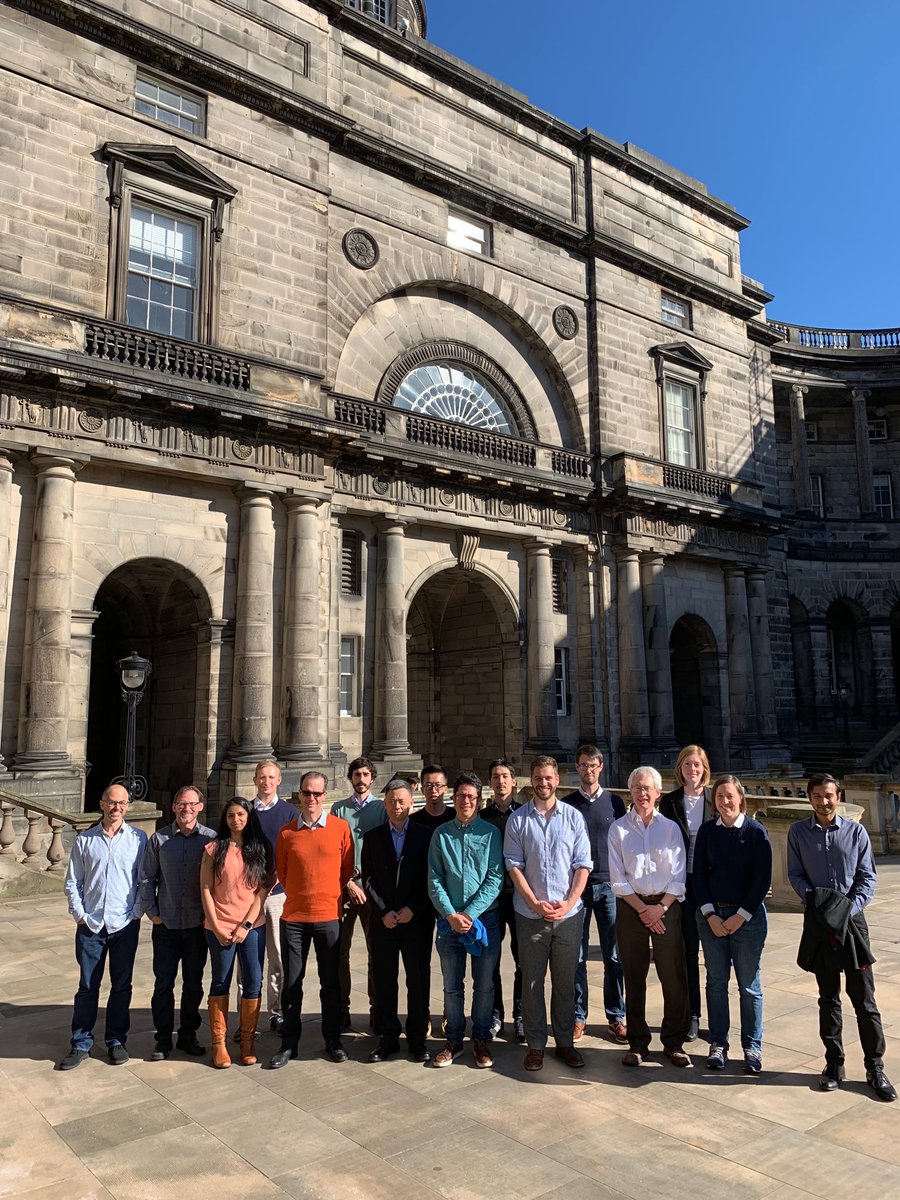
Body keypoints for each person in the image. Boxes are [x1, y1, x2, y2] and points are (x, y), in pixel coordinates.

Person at [787, 773, 897, 1101]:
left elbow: (867, 877)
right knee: (828, 997)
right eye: (818, 795)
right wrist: (818, 904)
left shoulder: (856, 832)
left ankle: (875, 1066)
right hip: (820, 924)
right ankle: (833, 1063)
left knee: (864, 998)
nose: (824, 801)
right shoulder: (798, 833)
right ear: (810, 798)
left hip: (852, 924)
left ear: (839, 796)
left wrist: (845, 910)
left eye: (829, 795)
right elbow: (795, 874)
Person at [504, 755, 591, 1072]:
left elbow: (583, 865)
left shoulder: (573, 817)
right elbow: (514, 866)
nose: (543, 783)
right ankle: (537, 1044)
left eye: (549, 778)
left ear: (557, 779)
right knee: (532, 982)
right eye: (538, 778)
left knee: (566, 982)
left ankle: (565, 1042)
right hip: (530, 915)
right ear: (531, 780)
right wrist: (535, 903)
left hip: (569, 915)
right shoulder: (518, 820)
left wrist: (568, 904)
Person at [269, 772, 355, 1068]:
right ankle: (289, 1043)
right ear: (299, 795)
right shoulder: (286, 833)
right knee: (292, 982)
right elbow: (282, 871)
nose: (312, 799)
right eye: (307, 793)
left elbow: (346, 871)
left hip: (328, 916)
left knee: (330, 982)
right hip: (294, 917)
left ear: (325, 795)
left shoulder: (341, 829)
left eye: (318, 794)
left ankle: (332, 1040)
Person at [59, 784, 147, 1069]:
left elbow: (144, 880)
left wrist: (136, 912)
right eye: (112, 802)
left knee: (122, 986)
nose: (117, 807)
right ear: (101, 804)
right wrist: (80, 915)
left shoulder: (138, 839)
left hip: (124, 924)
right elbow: (74, 881)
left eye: (122, 803)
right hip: (92, 926)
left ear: (128, 806)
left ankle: (116, 1040)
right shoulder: (85, 840)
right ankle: (81, 1042)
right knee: (87, 986)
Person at [609, 766, 691, 1068]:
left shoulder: (669, 828)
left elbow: (678, 876)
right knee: (634, 976)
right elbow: (618, 879)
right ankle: (638, 1043)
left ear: (658, 793)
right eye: (637, 788)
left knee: (673, 976)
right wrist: (644, 910)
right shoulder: (618, 828)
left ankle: (674, 1042)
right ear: (630, 792)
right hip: (632, 909)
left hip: (667, 907)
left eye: (648, 789)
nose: (642, 794)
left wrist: (661, 908)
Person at [693, 775, 771, 1074]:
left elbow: (761, 880)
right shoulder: (707, 831)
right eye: (719, 797)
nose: (724, 802)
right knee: (715, 983)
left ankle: (752, 1046)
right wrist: (711, 915)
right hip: (712, 918)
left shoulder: (755, 832)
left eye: (730, 796)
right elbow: (699, 875)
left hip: (747, 920)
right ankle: (718, 1043)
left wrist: (741, 915)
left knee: (749, 986)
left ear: (741, 799)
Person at [428, 772, 504, 1068]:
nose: (466, 801)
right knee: (452, 985)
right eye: (461, 796)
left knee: (484, 984)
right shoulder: (441, 834)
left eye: (472, 796)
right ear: (453, 798)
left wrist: (469, 915)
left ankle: (482, 1039)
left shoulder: (490, 833)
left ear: (479, 799)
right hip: (449, 923)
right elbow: (435, 879)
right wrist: (451, 914)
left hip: (484, 921)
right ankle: (455, 1039)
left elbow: (495, 878)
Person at [140, 784, 216, 1060]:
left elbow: (219, 882)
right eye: (182, 804)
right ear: (174, 808)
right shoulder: (159, 840)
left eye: (192, 804)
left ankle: (187, 1035)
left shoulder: (210, 839)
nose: (187, 809)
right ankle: (162, 1039)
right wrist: (153, 913)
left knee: (193, 984)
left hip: (197, 926)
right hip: (167, 925)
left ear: (200, 807)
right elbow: (147, 878)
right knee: (163, 984)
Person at [361, 780, 434, 1063]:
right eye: (391, 801)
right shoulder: (373, 836)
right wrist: (383, 911)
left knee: (418, 980)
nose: (397, 806)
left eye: (402, 801)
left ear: (411, 804)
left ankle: (417, 1039)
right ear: (385, 804)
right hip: (385, 921)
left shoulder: (426, 835)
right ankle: (388, 1037)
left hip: (415, 920)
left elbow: (430, 876)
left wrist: (412, 908)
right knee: (384, 981)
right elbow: (367, 878)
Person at [200, 797, 273, 1068]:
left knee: (253, 981)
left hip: (251, 927)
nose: (236, 820)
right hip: (219, 927)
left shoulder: (261, 848)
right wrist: (217, 927)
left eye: (241, 814)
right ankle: (219, 1044)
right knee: (220, 980)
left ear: (249, 817)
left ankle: (247, 1041)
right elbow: (206, 889)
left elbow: (262, 890)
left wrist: (245, 925)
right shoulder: (214, 848)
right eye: (231, 815)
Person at [562, 744, 627, 1044]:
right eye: (583, 765)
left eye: (593, 765)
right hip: (579, 889)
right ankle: (578, 1017)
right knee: (577, 957)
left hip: (609, 887)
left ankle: (616, 1015)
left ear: (601, 767)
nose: (589, 770)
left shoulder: (615, 803)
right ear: (577, 768)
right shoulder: (567, 805)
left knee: (613, 956)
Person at [660, 745, 713, 1041]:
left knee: (717, 958)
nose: (692, 769)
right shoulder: (670, 802)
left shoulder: (715, 799)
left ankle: (718, 1018)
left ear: (704, 768)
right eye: (687, 764)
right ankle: (692, 1014)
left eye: (697, 764)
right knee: (687, 952)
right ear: (679, 768)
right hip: (683, 884)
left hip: (713, 884)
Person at [330, 756, 386, 1031]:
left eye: (365, 774)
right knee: (340, 952)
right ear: (350, 778)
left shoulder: (381, 808)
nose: (361, 779)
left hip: (372, 890)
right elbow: (333, 852)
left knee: (377, 952)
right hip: (344, 889)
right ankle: (342, 1010)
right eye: (356, 775)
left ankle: (377, 1010)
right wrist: (348, 883)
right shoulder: (339, 809)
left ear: (372, 778)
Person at [251, 759, 300, 1034]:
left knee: (277, 957)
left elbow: (292, 854)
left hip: (277, 895)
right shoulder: (245, 810)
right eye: (262, 777)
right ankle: (247, 1016)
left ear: (279, 780)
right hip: (247, 896)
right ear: (255, 780)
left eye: (271, 777)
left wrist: (273, 883)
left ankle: (276, 1012)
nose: (266, 781)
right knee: (248, 959)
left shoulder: (289, 812)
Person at [481, 758, 524, 1043]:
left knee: (523, 960)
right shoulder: (482, 818)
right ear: (490, 783)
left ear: (514, 782)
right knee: (491, 960)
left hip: (520, 897)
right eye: (495, 777)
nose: (500, 781)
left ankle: (520, 1014)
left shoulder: (525, 815)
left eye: (505, 776)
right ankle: (496, 1013)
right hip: (491, 900)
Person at [410, 763, 454, 834]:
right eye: (428, 785)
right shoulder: (413, 821)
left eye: (438, 785)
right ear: (422, 790)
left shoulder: (455, 818)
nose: (433, 790)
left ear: (445, 789)